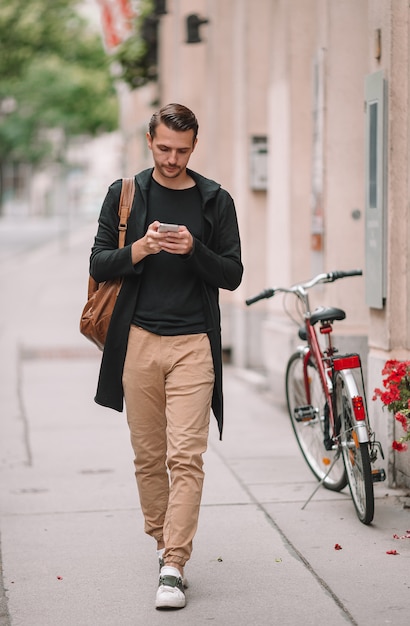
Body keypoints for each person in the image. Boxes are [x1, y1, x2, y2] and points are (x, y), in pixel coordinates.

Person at [89, 103, 243, 610]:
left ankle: (175, 563)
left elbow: (232, 273)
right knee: (150, 457)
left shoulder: (214, 199)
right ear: (149, 142)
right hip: (137, 341)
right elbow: (99, 261)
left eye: (182, 150)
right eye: (163, 148)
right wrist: (141, 248)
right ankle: (162, 542)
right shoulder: (127, 194)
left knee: (187, 456)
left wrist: (192, 249)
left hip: (194, 343)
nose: (172, 159)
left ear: (194, 146)